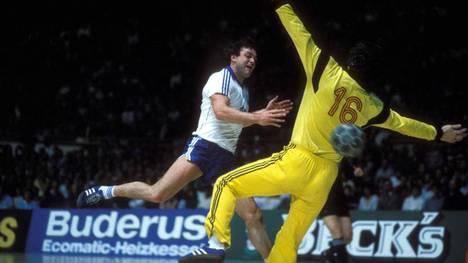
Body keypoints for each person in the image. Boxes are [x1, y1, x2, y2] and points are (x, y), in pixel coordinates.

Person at [179, 2, 467, 263]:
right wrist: (438, 134)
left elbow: (297, 30)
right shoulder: (373, 107)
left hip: (298, 161)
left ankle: (216, 246)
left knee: (227, 184)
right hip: (325, 179)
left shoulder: (326, 70)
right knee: (289, 240)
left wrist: (281, 6)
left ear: (351, 63)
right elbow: (405, 124)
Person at [77, 37, 294, 260]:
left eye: (255, 58)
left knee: (253, 214)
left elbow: (238, 120)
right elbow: (220, 111)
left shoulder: (243, 91)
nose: (252, 60)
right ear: (234, 57)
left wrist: (260, 114)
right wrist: (257, 117)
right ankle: (105, 191)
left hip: (225, 156)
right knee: (157, 194)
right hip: (205, 147)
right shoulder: (221, 78)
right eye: (247, 55)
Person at [319, 165, 363, 263]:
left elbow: (350, 172)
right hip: (325, 200)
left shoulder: (339, 156)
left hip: (340, 200)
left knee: (347, 238)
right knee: (338, 235)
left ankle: (329, 252)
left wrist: (356, 172)